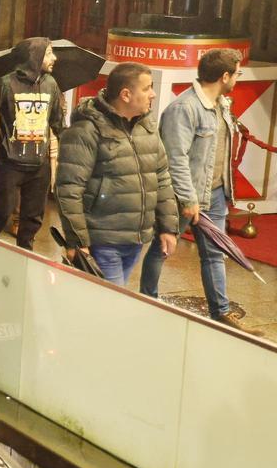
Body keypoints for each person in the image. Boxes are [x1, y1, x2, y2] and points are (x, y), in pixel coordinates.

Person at [137, 49, 257, 331]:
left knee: (215, 253)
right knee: (163, 247)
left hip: (213, 194)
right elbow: (174, 157)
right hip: (184, 196)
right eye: (236, 74)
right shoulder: (184, 108)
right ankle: (146, 301)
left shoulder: (221, 105)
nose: (237, 78)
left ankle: (221, 313)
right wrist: (188, 199)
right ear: (224, 76)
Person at [55, 63, 179, 286]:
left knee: (106, 305)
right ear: (126, 94)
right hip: (103, 240)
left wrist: (168, 227)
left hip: (135, 239)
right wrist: (78, 241)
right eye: (147, 88)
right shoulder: (86, 130)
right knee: (111, 305)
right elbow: (69, 190)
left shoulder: (146, 126)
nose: (153, 94)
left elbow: (161, 177)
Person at [0, 37, 65, 251]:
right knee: (4, 210)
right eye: (48, 53)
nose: (54, 58)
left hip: (40, 165)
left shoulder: (51, 84)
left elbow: (58, 124)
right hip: (10, 163)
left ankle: (25, 254)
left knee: (33, 219)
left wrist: (72, 155)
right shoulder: (6, 83)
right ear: (34, 56)